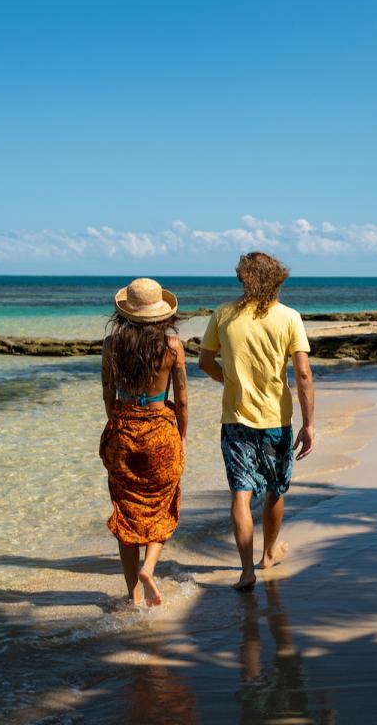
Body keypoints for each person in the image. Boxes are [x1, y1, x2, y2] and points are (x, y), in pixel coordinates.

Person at [198, 252, 314, 591]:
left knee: (241, 494)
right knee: (275, 489)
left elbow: (204, 362)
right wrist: (309, 424)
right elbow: (303, 374)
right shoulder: (290, 317)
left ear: (243, 280)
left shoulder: (223, 314)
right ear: (276, 279)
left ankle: (246, 571)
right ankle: (268, 555)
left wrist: (231, 382)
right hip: (277, 420)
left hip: (235, 419)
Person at [99, 278, 189, 606]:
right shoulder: (173, 347)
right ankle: (149, 568)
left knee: (126, 513)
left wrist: (116, 424)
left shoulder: (111, 345)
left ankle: (132, 596)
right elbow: (181, 398)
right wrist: (180, 436)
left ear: (125, 313)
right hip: (161, 429)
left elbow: (109, 392)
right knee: (162, 505)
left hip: (123, 428)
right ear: (162, 314)